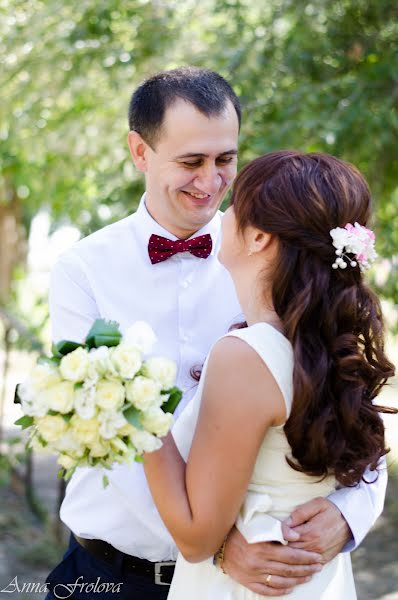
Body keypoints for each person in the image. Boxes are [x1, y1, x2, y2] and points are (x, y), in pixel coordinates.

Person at [45, 68, 388, 600]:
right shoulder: (83, 270)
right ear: (140, 152)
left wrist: (349, 514)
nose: (210, 183)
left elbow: (346, 398)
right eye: (190, 162)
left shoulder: (274, 257)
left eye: (225, 160)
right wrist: (221, 543)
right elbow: (106, 432)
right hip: (108, 577)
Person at [143, 150, 396, 599]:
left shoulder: (246, 356)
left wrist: (136, 415)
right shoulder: (329, 345)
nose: (223, 207)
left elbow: (197, 538)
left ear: (258, 237)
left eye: (235, 202)